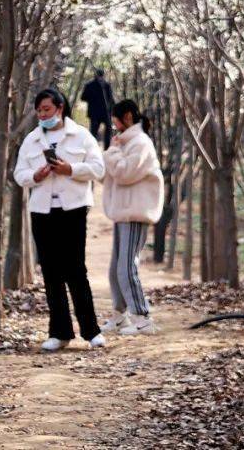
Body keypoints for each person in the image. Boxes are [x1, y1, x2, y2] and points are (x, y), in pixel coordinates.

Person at [13, 87, 107, 352]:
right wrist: (36, 176)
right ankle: (59, 331)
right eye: (39, 110)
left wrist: (70, 169)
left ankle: (91, 331)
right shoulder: (31, 140)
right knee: (51, 272)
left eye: (47, 109)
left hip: (73, 210)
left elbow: (98, 168)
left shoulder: (81, 135)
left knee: (76, 270)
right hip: (42, 211)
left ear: (60, 108)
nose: (43, 114)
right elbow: (19, 174)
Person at [100, 98, 164, 337]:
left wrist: (113, 152)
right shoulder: (127, 143)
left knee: (127, 267)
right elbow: (112, 173)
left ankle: (142, 317)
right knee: (116, 268)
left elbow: (125, 173)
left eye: (116, 120)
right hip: (122, 213)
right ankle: (120, 315)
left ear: (127, 117)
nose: (114, 126)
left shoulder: (140, 143)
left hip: (135, 213)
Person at [80, 66, 115, 148]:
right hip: (95, 113)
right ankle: (91, 148)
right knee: (93, 132)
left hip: (105, 112)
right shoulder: (90, 85)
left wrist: (113, 109)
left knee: (107, 131)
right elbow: (83, 97)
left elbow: (111, 99)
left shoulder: (106, 85)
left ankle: (107, 148)